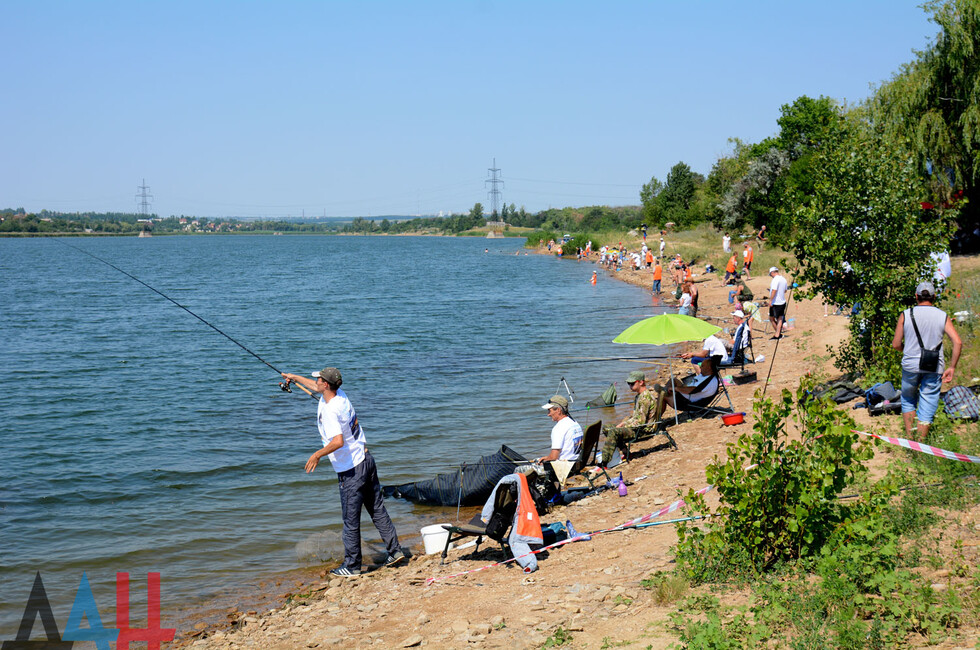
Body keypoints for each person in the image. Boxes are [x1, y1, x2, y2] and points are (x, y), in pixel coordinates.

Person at [280, 366, 406, 577]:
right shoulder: (339, 396)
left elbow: (337, 441)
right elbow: (314, 387)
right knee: (377, 509)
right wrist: (293, 377)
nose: (317, 382)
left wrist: (317, 454)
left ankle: (352, 565)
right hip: (366, 459)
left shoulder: (330, 410)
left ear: (326, 384)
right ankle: (395, 551)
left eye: (319, 379)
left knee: (350, 519)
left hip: (351, 470)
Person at [891, 281, 962, 439]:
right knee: (928, 399)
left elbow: (896, 344)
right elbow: (958, 342)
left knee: (908, 398)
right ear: (934, 297)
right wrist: (952, 367)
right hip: (933, 365)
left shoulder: (906, 314)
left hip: (910, 365)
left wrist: (907, 350)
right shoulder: (942, 316)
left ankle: (911, 439)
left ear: (916, 296)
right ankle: (922, 443)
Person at [601, 371, 662, 463]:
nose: (630, 386)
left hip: (644, 430)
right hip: (638, 428)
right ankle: (626, 453)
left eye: (632, 383)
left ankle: (605, 462)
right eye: (628, 383)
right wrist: (623, 423)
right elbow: (635, 417)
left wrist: (623, 426)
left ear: (641, 382)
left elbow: (640, 423)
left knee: (613, 432)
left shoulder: (645, 398)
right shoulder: (639, 396)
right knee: (606, 428)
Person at [535, 395, 583, 464]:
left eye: (549, 411)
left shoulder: (559, 428)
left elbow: (554, 457)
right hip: (576, 462)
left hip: (565, 466)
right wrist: (548, 457)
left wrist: (542, 462)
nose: (548, 414)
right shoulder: (574, 423)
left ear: (558, 410)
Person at [768, 267, 788, 339]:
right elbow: (785, 290)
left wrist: (770, 300)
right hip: (782, 301)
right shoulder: (783, 279)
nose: (771, 276)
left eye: (770, 274)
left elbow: (774, 290)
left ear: (773, 272)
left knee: (771, 318)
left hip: (775, 302)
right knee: (780, 318)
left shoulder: (775, 280)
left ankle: (777, 334)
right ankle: (778, 333)